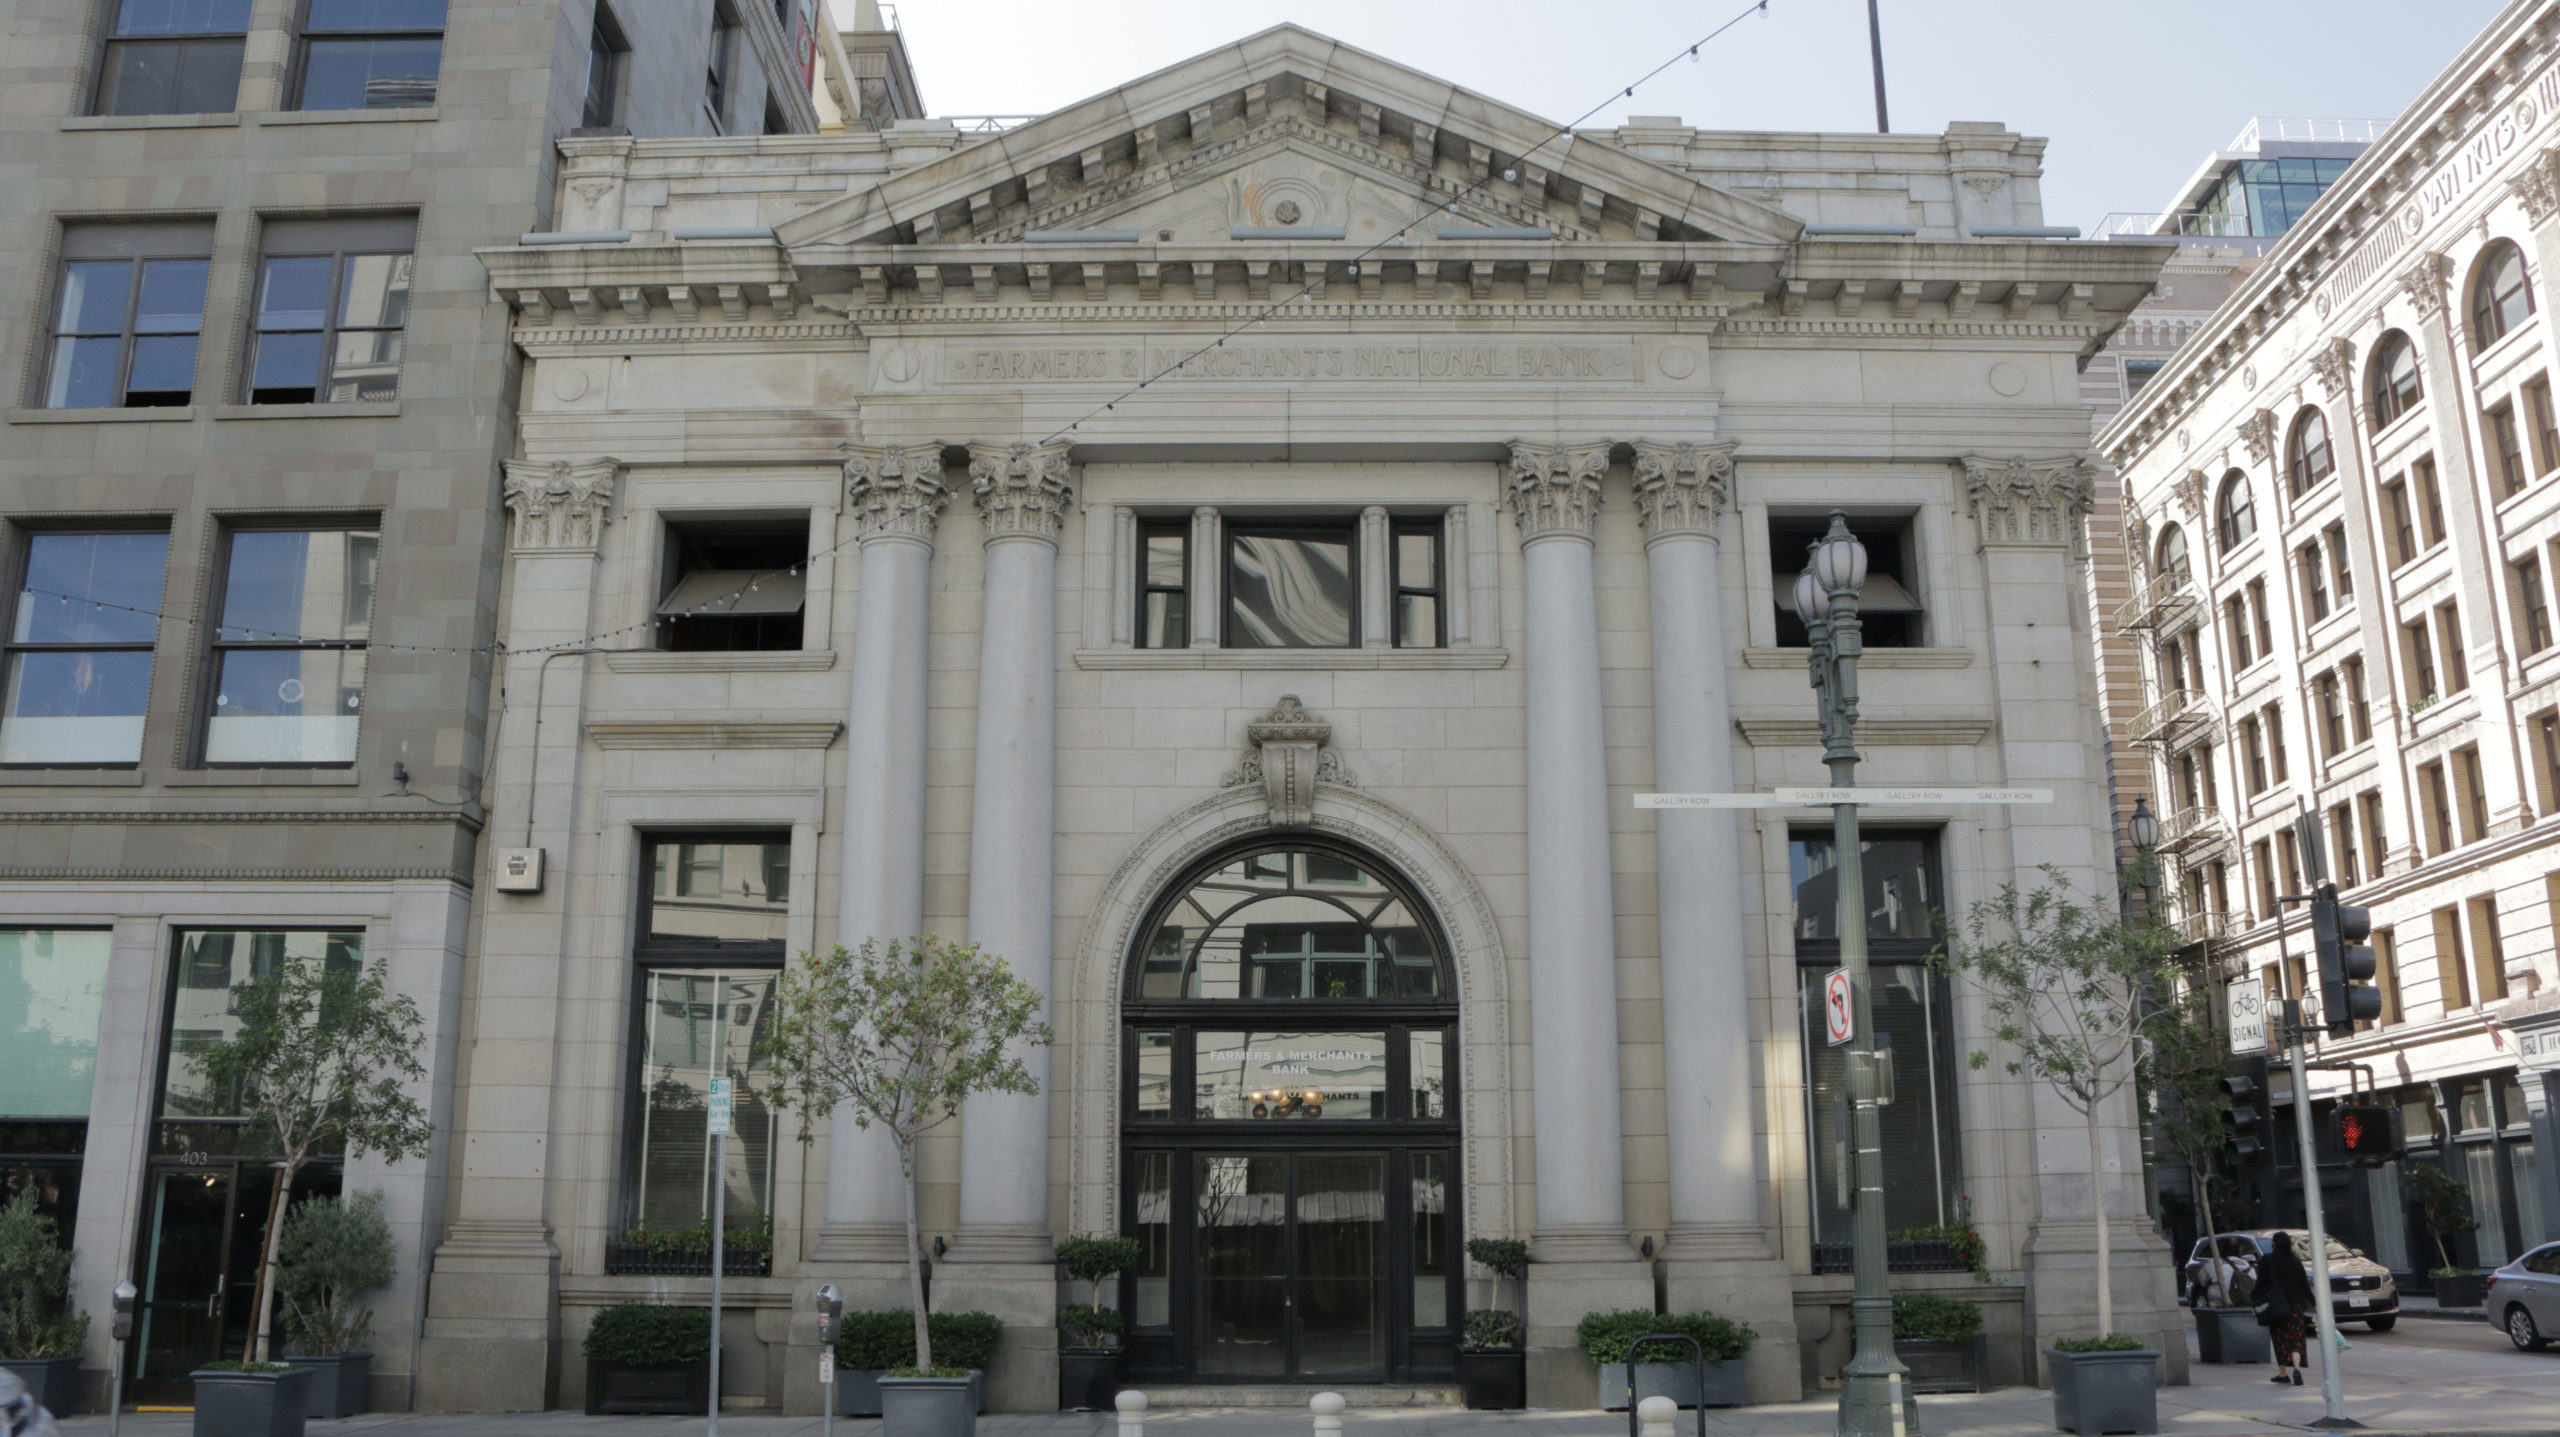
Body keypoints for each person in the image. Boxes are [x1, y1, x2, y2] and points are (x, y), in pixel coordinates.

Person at [2258, 1231, 2318, 1385]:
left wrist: (2255, 1300)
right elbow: (2304, 1284)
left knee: (2279, 1339)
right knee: (2295, 1338)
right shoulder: (2295, 1261)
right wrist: (2314, 1303)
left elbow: (2261, 1283)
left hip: (2276, 1306)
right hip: (2295, 1306)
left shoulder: (2268, 1260)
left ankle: (2283, 1373)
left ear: (2274, 1244)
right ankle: (2297, 1369)